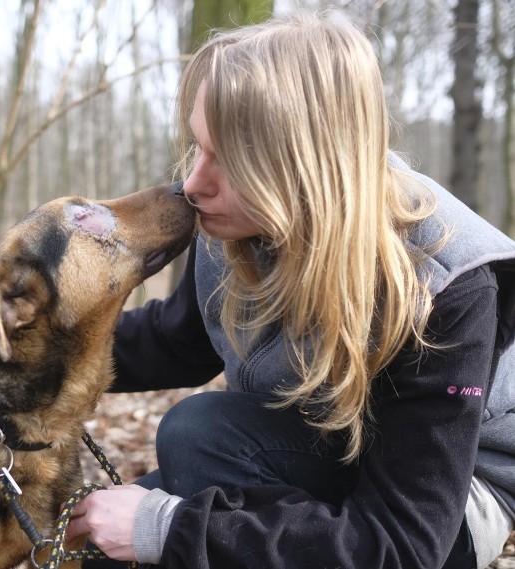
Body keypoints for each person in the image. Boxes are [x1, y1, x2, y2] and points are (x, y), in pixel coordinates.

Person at [65, 11, 515, 569]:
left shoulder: (444, 285)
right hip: (316, 450)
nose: (192, 184)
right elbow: (176, 341)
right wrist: (30, 350)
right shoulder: (236, 219)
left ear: (304, 168)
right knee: (105, 540)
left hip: (448, 507)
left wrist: (169, 528)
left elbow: (402, 543)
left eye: (227, 161)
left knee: (195, 441)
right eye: (197, 146)